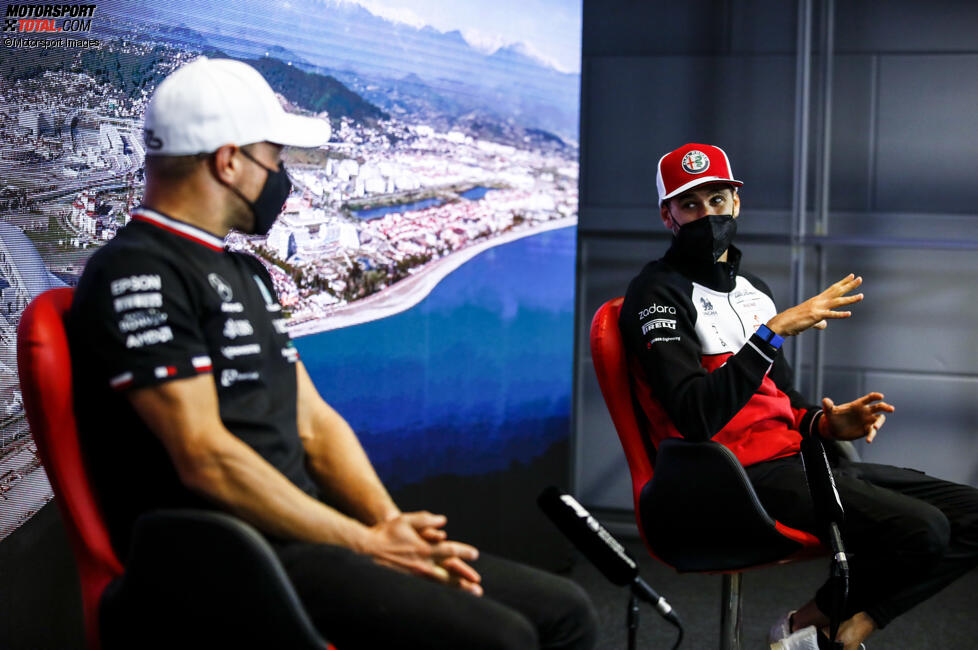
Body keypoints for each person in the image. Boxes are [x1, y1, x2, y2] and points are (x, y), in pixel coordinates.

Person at [67, 57, 596, 650]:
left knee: (564, 610)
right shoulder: (136, 271)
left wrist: (388, 524)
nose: (283, 177)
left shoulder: (245, 272)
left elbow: (315, 424)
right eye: (276, 160)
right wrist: (365, 543)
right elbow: (205, 457)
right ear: (228, 161)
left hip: (306, 540)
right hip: (230, 562)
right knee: (503, 638)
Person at [618, 143, 978, 650]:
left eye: (716, 200)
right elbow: (696, 416)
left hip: (795, 461)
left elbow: (782, 402)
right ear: (667, 216)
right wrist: (772, 332)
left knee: (970, 514)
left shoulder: (753, 290)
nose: (707, 215)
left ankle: (836, 628)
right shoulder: (656, 294)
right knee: (921, 530)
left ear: (736, 204)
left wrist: (828, 425)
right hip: (725, 478)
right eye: (690, 205)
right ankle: (816, 628)